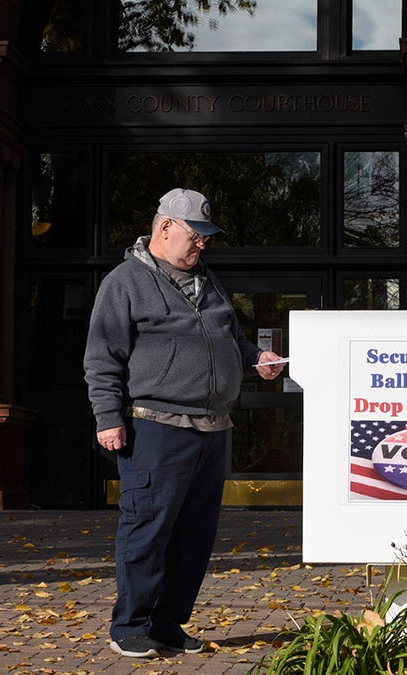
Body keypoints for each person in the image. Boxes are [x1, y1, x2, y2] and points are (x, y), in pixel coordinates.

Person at [84, 187, 285, 659]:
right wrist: (107, 417)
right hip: (156, 427)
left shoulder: (209, 281)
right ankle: (129, 626)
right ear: (165, 228)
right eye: (196, 236)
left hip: (214, 429)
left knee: (195, 536)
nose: (202, 246)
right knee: (147, 528)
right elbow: (102, 357)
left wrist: (258, 359)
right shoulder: (125, 281)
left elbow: (230, 340)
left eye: (207, 239)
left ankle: (167, 624)